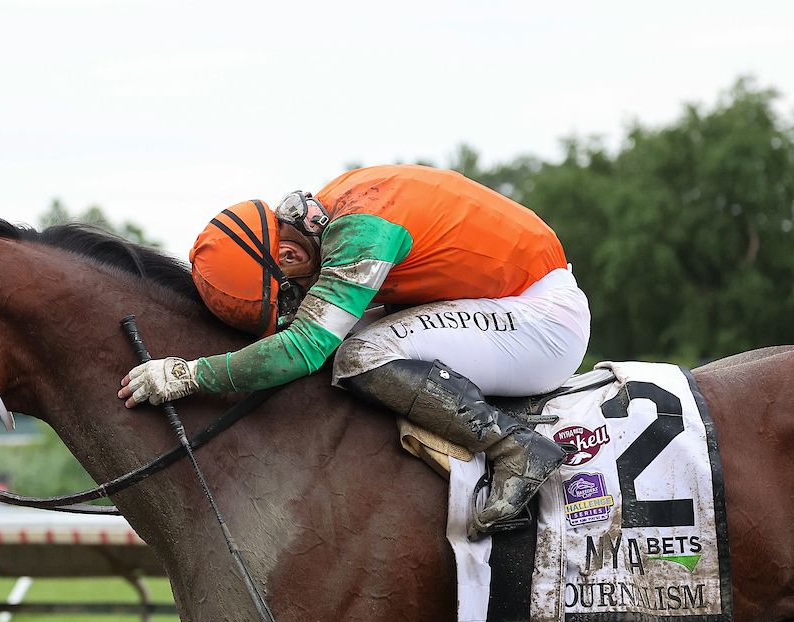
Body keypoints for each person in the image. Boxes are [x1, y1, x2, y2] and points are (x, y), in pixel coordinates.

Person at [118, 165, 590, 534]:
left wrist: (189, 375)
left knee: (358, 355)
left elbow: (302, 348)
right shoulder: (329, 209)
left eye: (287, 295)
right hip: (507, 299)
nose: (291, 306)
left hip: (542, 320)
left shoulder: (359, 233)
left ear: (288, 257)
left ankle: (514, 448)